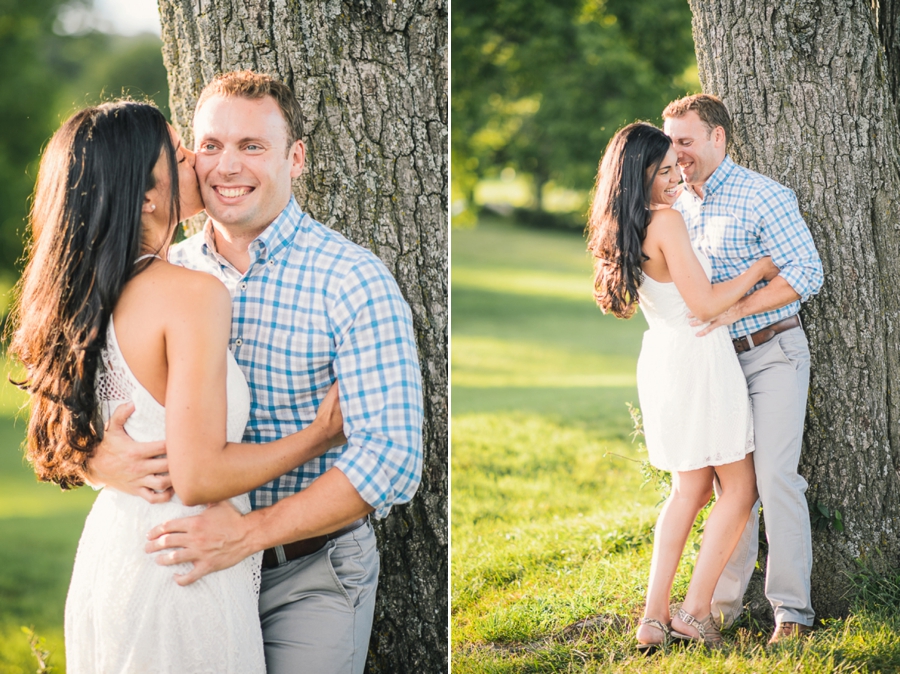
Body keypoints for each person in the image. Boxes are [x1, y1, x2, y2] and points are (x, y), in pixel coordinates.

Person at [87, 72, 424, 673]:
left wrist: (249, 534)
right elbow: (82, 397)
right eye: (211, 146)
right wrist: (93, 459)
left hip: (307, 573)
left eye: (252, 147)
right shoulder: (164, 274)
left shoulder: (351, 280)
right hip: (182, 570)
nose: (225, 166)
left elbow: (390, 459)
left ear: (295, 159)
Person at [8, 101, 347, 672]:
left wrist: (93, 461)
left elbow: (65, 430)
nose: (196, 158)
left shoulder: (89, 294)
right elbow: (198, 477)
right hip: (182, 569)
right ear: (145, 195)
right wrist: (317, 437)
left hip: (112, 562)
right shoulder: (190, 294)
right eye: (178, 149)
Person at [587, 122, 780, 649]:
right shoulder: (666, 221)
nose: (677, 179)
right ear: (639, 175)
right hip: (699, 357)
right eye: (665, 171)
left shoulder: (618, 226)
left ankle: (653, 619)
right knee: (740, 488)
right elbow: (706, 304)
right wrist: (760, 268)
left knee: (689, 490)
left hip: (663, 357)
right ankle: (694, 613)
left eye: (677, 167)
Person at [662, 93, 823, 644]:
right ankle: (717, 609)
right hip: (714, 368)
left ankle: (792, 614)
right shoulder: (674, 209)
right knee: (735, 487)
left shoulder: (763, 196)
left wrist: (736, 307)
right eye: (670, 143)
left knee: (776, 477)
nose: (677, 153)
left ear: (717, 138)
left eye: (685, 141)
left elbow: (806, 271)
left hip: (774, 351)